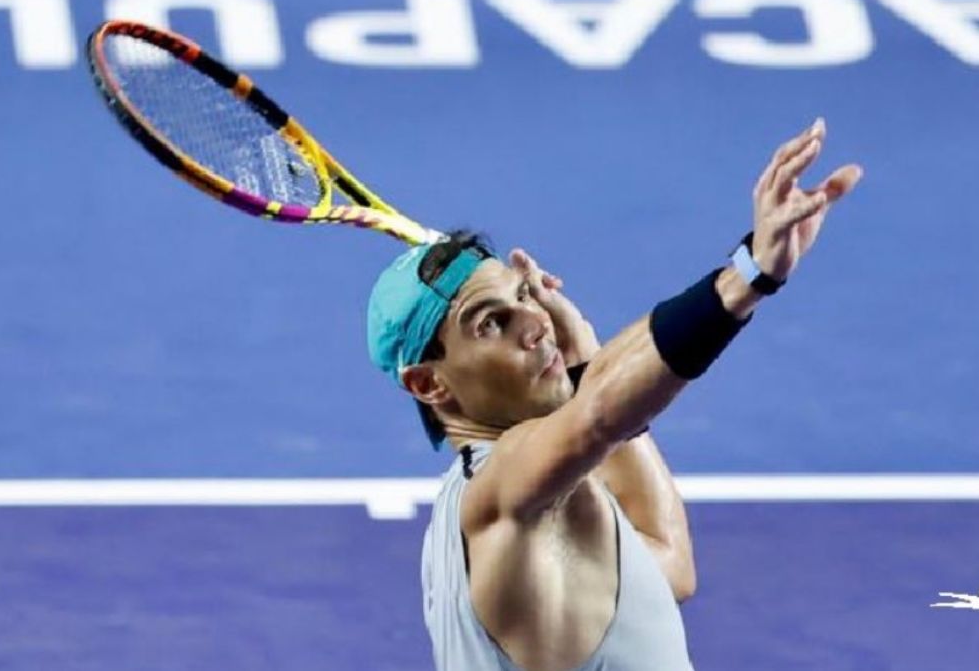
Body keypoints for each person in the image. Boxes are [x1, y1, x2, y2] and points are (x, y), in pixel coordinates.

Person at [366, 119, 862, 671]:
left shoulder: (519, 507)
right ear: (429, 383)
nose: (535, 324)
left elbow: (667, 568)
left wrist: (583, 358)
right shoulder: (499, 486)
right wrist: (748, 276)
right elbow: (600, 416)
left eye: (525, 296)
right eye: (490, 324)